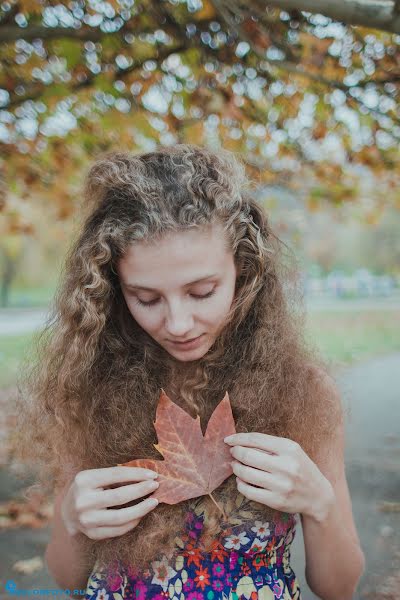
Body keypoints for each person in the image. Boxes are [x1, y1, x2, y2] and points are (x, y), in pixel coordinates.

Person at [13, 144, 365, 600]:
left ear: (245, 270)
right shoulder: (92, 389)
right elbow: (68, 578)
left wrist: (320, 505)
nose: (177, 324)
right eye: (147, 298)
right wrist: (73, 522)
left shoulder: (303, 390)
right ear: (115, 288)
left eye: (201, 292)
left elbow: (339, 587)